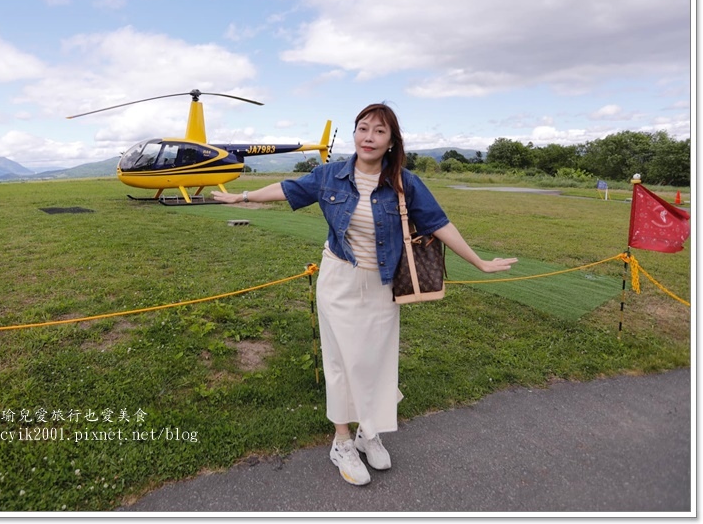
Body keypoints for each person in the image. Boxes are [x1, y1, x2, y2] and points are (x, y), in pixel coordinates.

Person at [211, 103, 517, 486]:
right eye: (362, 128)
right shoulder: (330, 176)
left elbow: (439, 224)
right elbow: (288, 189)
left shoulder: (404, 183)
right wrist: (242, 197)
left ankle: (368, 430)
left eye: (379, 131)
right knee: (341, 361)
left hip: (383, 284)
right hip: (338, 280)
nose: (368, 137)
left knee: (375, 361)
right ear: (354, 134)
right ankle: (341, 441)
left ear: (391, 142)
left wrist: (480, 263)